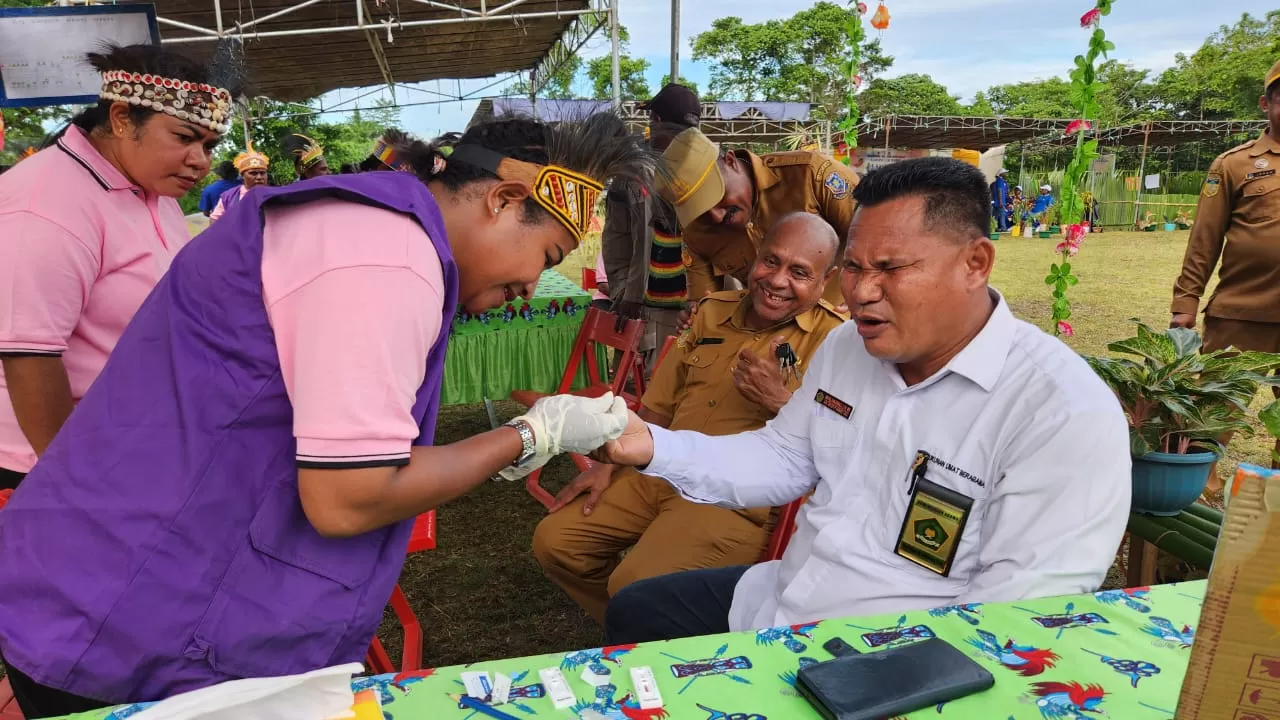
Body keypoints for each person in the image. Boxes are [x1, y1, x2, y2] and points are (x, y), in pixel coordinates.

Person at [0, 114, 655, 717]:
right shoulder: (387, 254)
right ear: (504, 200)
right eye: (546, 256)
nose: (533, 287)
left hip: (120, 578)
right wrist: (533, 434)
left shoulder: (364, 226)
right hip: (128, 613)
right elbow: (349, 497)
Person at [588, 157, 1130, 643]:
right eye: (852, 267)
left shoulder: (1061, 411)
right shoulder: (849, 345)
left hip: (887, 646)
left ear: (975, 263)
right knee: (638, 611)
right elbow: (782, 455)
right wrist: (652, 444)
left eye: (889, 268)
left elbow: (1013, 617)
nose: (861, 292)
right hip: (785, 594)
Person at [533, 213, 845, 623]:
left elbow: (841, 444)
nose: (777, 280)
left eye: (800, 272)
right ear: (755, 254)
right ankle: (639, 627)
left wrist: (779, 400)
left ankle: (644, 620)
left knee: (632, 584)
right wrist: (607, 467)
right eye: (771, 261)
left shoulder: (837, 342)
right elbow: (659, 403)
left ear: (827, 279)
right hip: (661, 467)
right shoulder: (711, 312)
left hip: (734, 499)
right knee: (556, 542)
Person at [0, 44, 236, 493]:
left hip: (131, 448)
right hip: (43, 470)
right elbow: (28, 355)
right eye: (184, 137)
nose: (201, 161)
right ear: (122, 118)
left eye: (209, 145)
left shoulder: (151, 191)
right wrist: (73, 484)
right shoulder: (45, 205)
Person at [1171, 58, 1280, 495]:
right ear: (1265, 104)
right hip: (1242, 313)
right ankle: (1198, 493)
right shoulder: (1233, 165)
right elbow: (1204, 239)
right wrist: (1185, 303)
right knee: (1215, 413)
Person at [658, 126, 858, 311]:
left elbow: (874, 236)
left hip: (846, 322)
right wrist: (696, 315)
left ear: (731, 161)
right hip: (770, 333)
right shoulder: (697, 233)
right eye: (700, 211)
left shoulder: (810, 175)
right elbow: (704, 304)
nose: (717, 216)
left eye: (717, 197)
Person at [602, 84, 700, 372]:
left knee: (664, 385)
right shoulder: (713, 166)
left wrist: (628, 295)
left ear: (655, 120)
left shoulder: (642, 169)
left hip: (680, 310)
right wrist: (626, 293)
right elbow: (620, 238)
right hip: (659, 309)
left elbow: (627, 238)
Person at [207, 145, 270, 221]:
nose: (259, 177)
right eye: (253, 173)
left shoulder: (276, 194)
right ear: (242, 176)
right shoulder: (229, 197)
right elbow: (214, 220)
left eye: (262, 173)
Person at [989, 167, 1009, 231]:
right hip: (1000, 202)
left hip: (996, 202)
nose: (1006, 174)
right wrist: (1000, 201)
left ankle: (992, 227)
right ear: (1001, 173)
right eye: (1005, 173)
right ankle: (1003, 227)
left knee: (995, 216)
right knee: (1002, 214)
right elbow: (999, 190)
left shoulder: (997, 181)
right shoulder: (1000, 180)